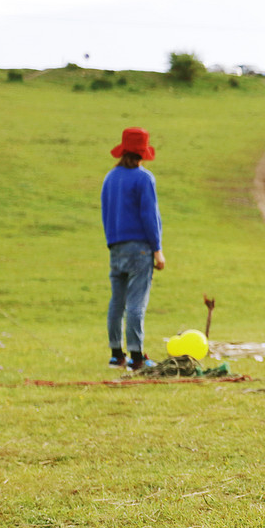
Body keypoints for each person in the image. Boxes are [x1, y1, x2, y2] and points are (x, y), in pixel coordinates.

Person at [101, 127, 165, 370]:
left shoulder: (110, 178)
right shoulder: (144, 178)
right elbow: (150, 216)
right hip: (139, 248)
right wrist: (157, 249)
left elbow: (106, 213)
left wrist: (112, 242)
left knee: (117, 302)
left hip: (115, 247)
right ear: (143, 153)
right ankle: (137, 358)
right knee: (136, 303)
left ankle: (117, 354)